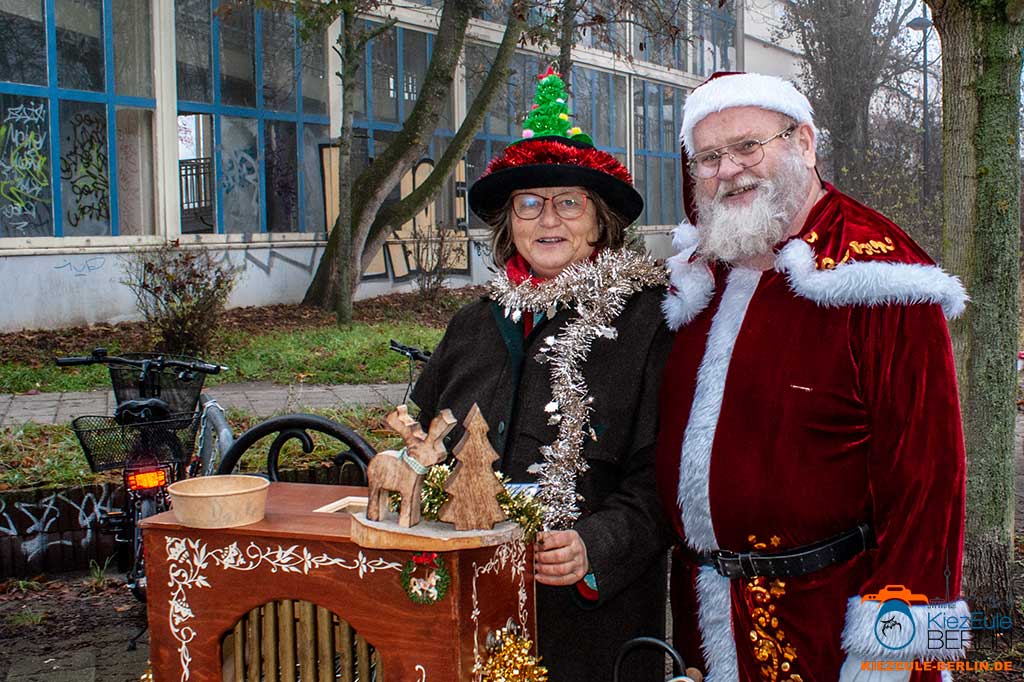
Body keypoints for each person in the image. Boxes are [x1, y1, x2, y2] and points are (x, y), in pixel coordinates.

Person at [656, 71, 969, 682]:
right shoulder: (696, 277)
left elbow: (931, 486)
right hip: (703, 616)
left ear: (803, 142)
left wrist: (893, 655)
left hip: (826, 624)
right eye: (710, 157)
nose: (730, 170)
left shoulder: (881, 275)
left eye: (749, 146)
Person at [411, 67, 672, 682]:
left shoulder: (646, 322)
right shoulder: (473, 324)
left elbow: (665, 481)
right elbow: (416, 442)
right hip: (467, 606)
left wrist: (595, 546)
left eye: (568, 202)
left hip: (588, 626)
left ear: (601, 218)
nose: (546, 218)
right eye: (529, 203)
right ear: (510, 222)